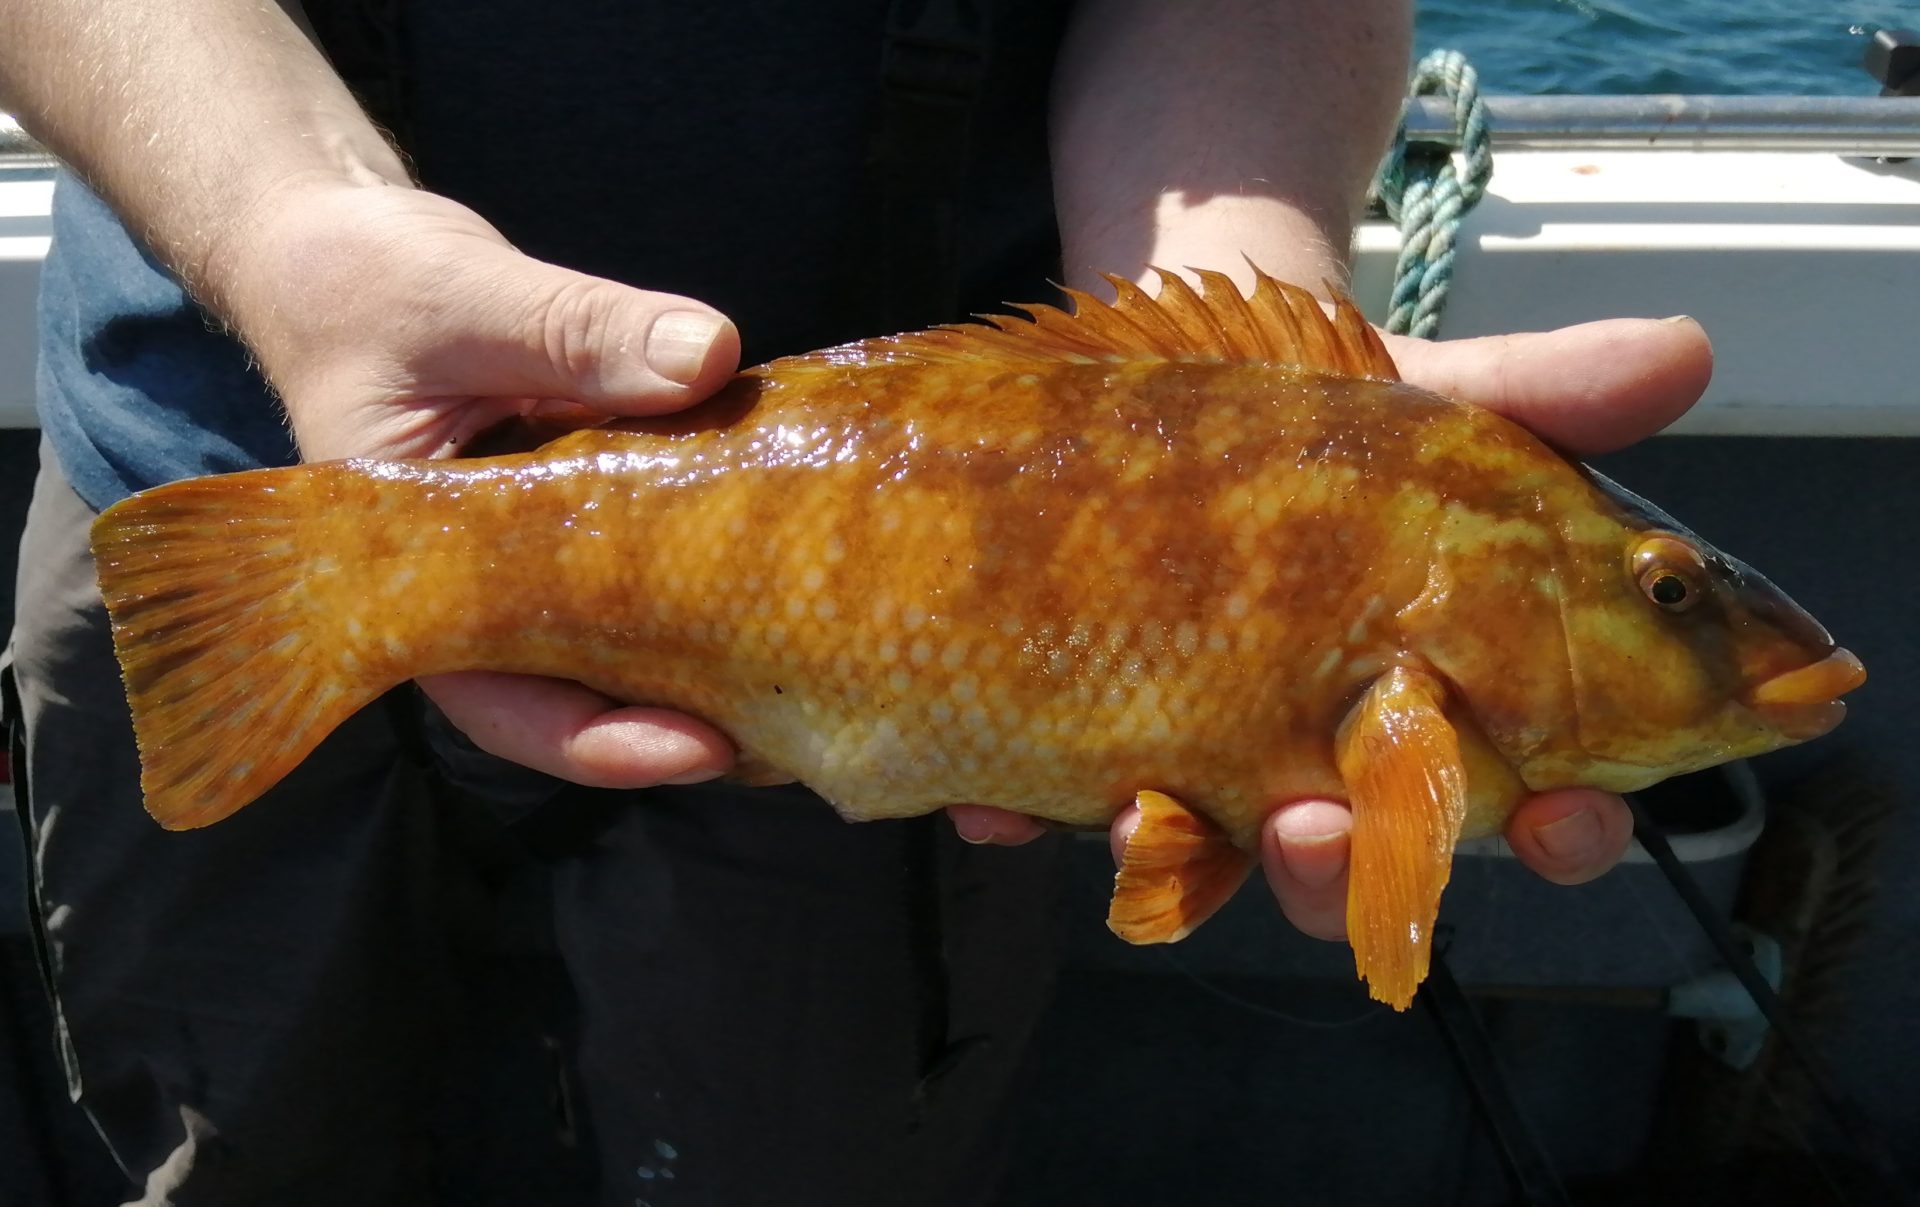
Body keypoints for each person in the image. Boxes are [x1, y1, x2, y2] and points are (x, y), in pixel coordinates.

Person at [0, 1, 1711, 1203]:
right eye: (1670, 594)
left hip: (870, 551)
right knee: (229, 1142)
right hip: (217, 407)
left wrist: (1230, 343)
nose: (1706, 628)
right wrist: (291, 228)